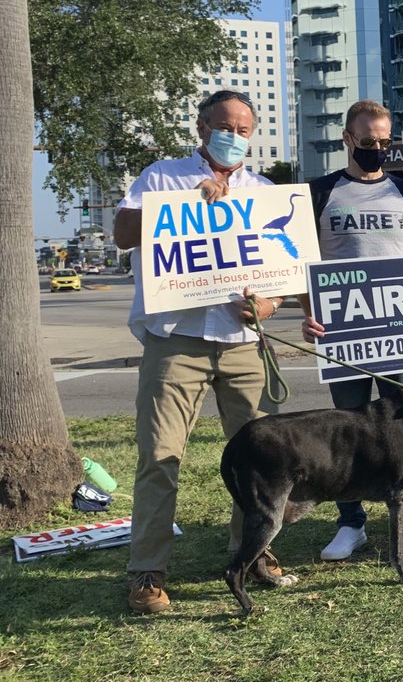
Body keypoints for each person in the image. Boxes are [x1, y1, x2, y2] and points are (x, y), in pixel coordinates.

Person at [113, 89, 287, 614]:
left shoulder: (265, 193)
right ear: (201, 126)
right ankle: (147, 570)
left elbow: (283, 272)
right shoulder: (161, 177)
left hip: (242, 345)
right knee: (160, 456)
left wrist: (270, 304)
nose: (233, 137)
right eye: (224, 126)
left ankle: (253, 553)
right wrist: (190, 200)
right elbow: (122, 232)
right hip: (176, 340)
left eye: (244, 129)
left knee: (263, 460)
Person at [300, 100, 403, 563]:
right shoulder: (319, 192)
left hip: (401, 332)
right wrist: (307, 310)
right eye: (369, 141)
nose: (378, 148)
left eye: (385, 141)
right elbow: (303, 264)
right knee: (347, 432)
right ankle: (350, 523)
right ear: (348, 139)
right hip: (343, 333)